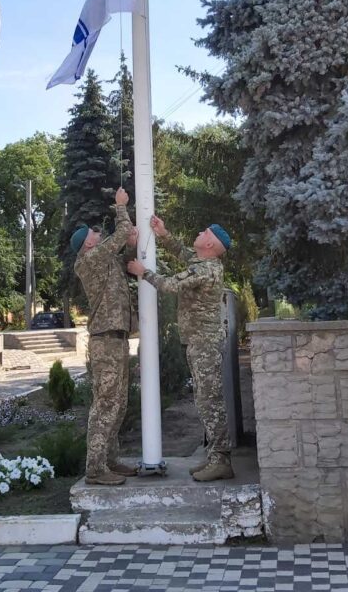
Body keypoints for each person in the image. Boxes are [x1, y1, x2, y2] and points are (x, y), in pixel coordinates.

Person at [127, 217, 232, 481]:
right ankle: (215, 457)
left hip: (204, 343)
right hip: (199, 341)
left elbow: (170, 285)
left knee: (211, 403)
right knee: (204, 400)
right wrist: (164, 234)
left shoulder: (206, 270)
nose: (199, 230)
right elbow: (185, 254)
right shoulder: (205, 264)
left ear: (209, 243)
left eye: (203, 229)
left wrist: (144, 272)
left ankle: (221, 460)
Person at [72, 188, 139, 486]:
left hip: (117, 337)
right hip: (105, 339)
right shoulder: (89, 260)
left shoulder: (104, 259)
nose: (97, 234)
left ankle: (110, 460)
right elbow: (121, 231)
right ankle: (95, 468)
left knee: (119, 402)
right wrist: (121, 206)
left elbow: (124, 257)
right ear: (87, 244)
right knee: (106, 403)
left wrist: (133, 246)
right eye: (92, 234)